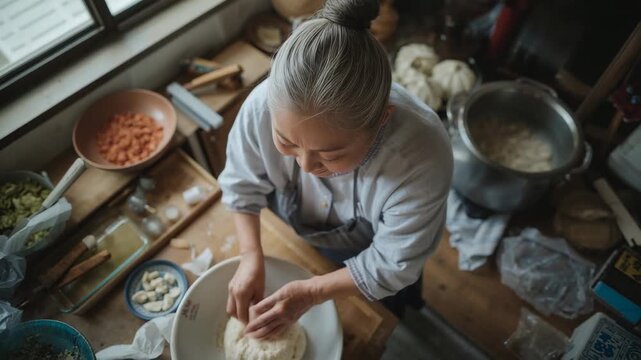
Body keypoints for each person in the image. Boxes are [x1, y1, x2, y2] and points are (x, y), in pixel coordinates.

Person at [218, 0, 453, 340]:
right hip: (300, 230)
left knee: (375, 324)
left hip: (374, 252)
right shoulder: (261, 105)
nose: (306, 166)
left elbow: (392, 263)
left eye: (330, 155)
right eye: (286, 143)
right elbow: (241, 183)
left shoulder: (421, 156)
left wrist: (313, 292)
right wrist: (250, 256)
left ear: (381, 121)